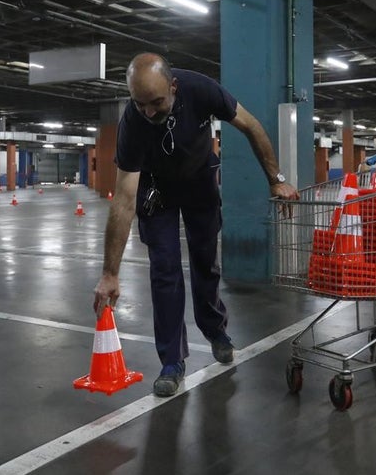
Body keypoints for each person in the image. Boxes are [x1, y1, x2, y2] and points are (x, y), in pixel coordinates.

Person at [93, 53, 299, 397]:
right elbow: (125, 200)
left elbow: (250, 125)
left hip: (200, 179)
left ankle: (214, 328)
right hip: (155, 189)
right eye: (139, 103)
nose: (148, 112)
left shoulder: (202, 90)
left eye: (156, 102)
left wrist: (275, 178)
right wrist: (110, 272)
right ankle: (172, 361)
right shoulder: (133, 123)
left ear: (173, 87)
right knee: (164, 270)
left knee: (205, 261)